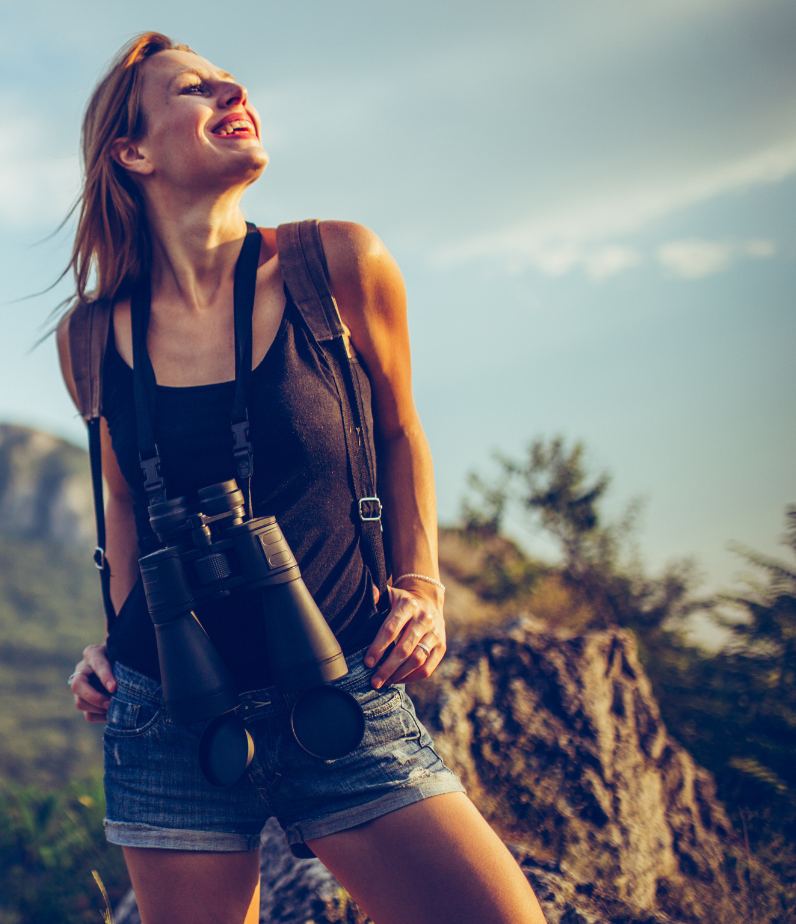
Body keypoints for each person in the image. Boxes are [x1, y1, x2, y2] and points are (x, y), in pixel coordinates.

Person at [54, 33, 546, 924]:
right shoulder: (90, 336)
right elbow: (125, 502)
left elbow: (399, 428)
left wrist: (422, 587)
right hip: (172, 722)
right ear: (131, 151)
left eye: (229, 80)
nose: (231, 89)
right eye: (194, 89)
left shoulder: (337, 264)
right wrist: (119, 641)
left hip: (341, 685)